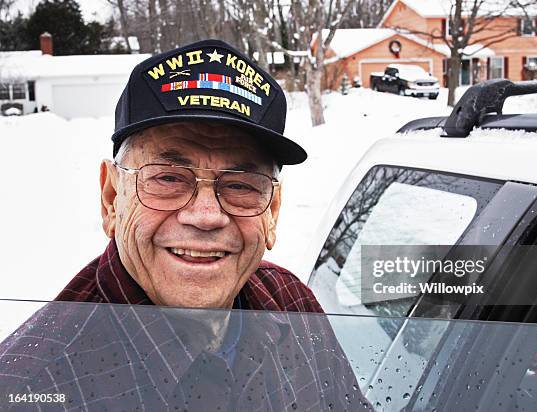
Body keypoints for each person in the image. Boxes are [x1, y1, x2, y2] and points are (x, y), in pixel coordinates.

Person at [0, 39, 373, 411]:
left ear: (271, 211)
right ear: (112, 197)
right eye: (168, 179)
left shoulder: (293, 308)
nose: (206, 216)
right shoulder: (31, 389)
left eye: (240, 185)